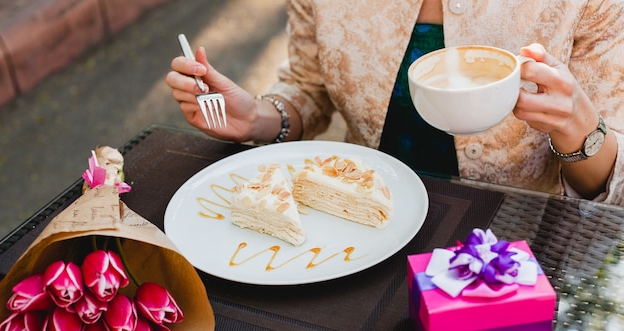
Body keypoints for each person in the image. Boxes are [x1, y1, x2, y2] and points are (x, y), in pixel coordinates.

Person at [166, 0, 624, 205]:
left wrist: (578, 127)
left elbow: (609, 185)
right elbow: (308, 86)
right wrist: (257, 119)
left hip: (514, 254)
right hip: (360, 219)